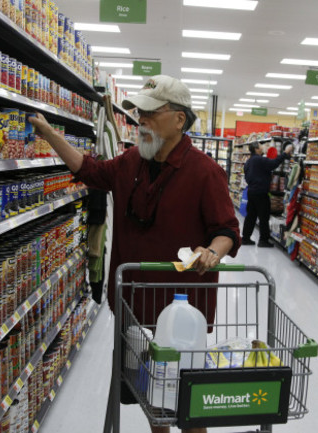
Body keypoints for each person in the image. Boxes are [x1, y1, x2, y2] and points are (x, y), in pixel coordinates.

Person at [29, 75, 241, 433]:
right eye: (137, 112)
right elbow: (90, 171)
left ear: (179, 119)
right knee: (150, 399)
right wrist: (49, 134)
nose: (140, 119)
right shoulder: (131, 162)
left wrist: (212, 251)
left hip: (182, 313)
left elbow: (226, 230)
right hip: (133, 307)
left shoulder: (205, 172)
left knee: (186, 406)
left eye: (150, 113)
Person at [241, 141, 292, 247]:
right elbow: (273, 164)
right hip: (261, 192)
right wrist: (285, 153)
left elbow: (246, 174)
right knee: (264, 216)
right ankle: (263, 240)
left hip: (252, 191)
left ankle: (245, 238)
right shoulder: (259, 160)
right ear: (256, 149)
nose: (263, 147)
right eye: (261, 145)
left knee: (251, 216)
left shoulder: (249, 161)